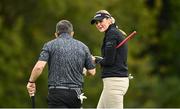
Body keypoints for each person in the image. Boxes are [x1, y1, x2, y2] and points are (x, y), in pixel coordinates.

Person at [26, 20, 96, 108]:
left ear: (56, 34)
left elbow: (39, 67)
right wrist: (87, 69)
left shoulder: (50, 45)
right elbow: (92, 72)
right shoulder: (83, 47)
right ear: (72, 33)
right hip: (76, 94)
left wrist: (31, 81)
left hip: (56, 93)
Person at [90, 10, 129, 109]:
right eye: (96, 23)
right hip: (113, 83)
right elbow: (110, 59)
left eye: (101, 21)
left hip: (114, 83)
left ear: (109, 20)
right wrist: (99, 59)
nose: (98, 24)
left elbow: (109, 61)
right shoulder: (112, 32)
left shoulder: (112, 34)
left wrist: (96, 60)